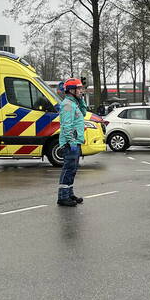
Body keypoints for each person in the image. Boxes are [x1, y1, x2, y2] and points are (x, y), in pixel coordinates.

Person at [57, 78, 87, 207]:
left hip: (75, 142)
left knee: (72, 170)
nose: (81, 91)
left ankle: (69, 193)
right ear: (71, 90)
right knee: (68, 170)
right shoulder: (68, 105)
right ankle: (63, 197)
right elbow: (66, 126)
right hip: (71, 143)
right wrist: (71, 142)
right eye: (79, 89)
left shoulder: (74, 103)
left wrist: (81, 100)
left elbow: (84, 113)